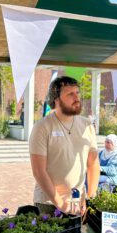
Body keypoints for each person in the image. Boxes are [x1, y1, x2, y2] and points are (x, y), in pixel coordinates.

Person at [29, 76, 99, 215]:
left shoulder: (87, 125)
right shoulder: (42, 127)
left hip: (78, 203)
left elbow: (93, 164)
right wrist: (60, 204)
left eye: (77, 93)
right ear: (57, 100)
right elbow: (39, 172)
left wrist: (90, 198)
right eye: (70, 94)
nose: (77, 97)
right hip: (48, 204)